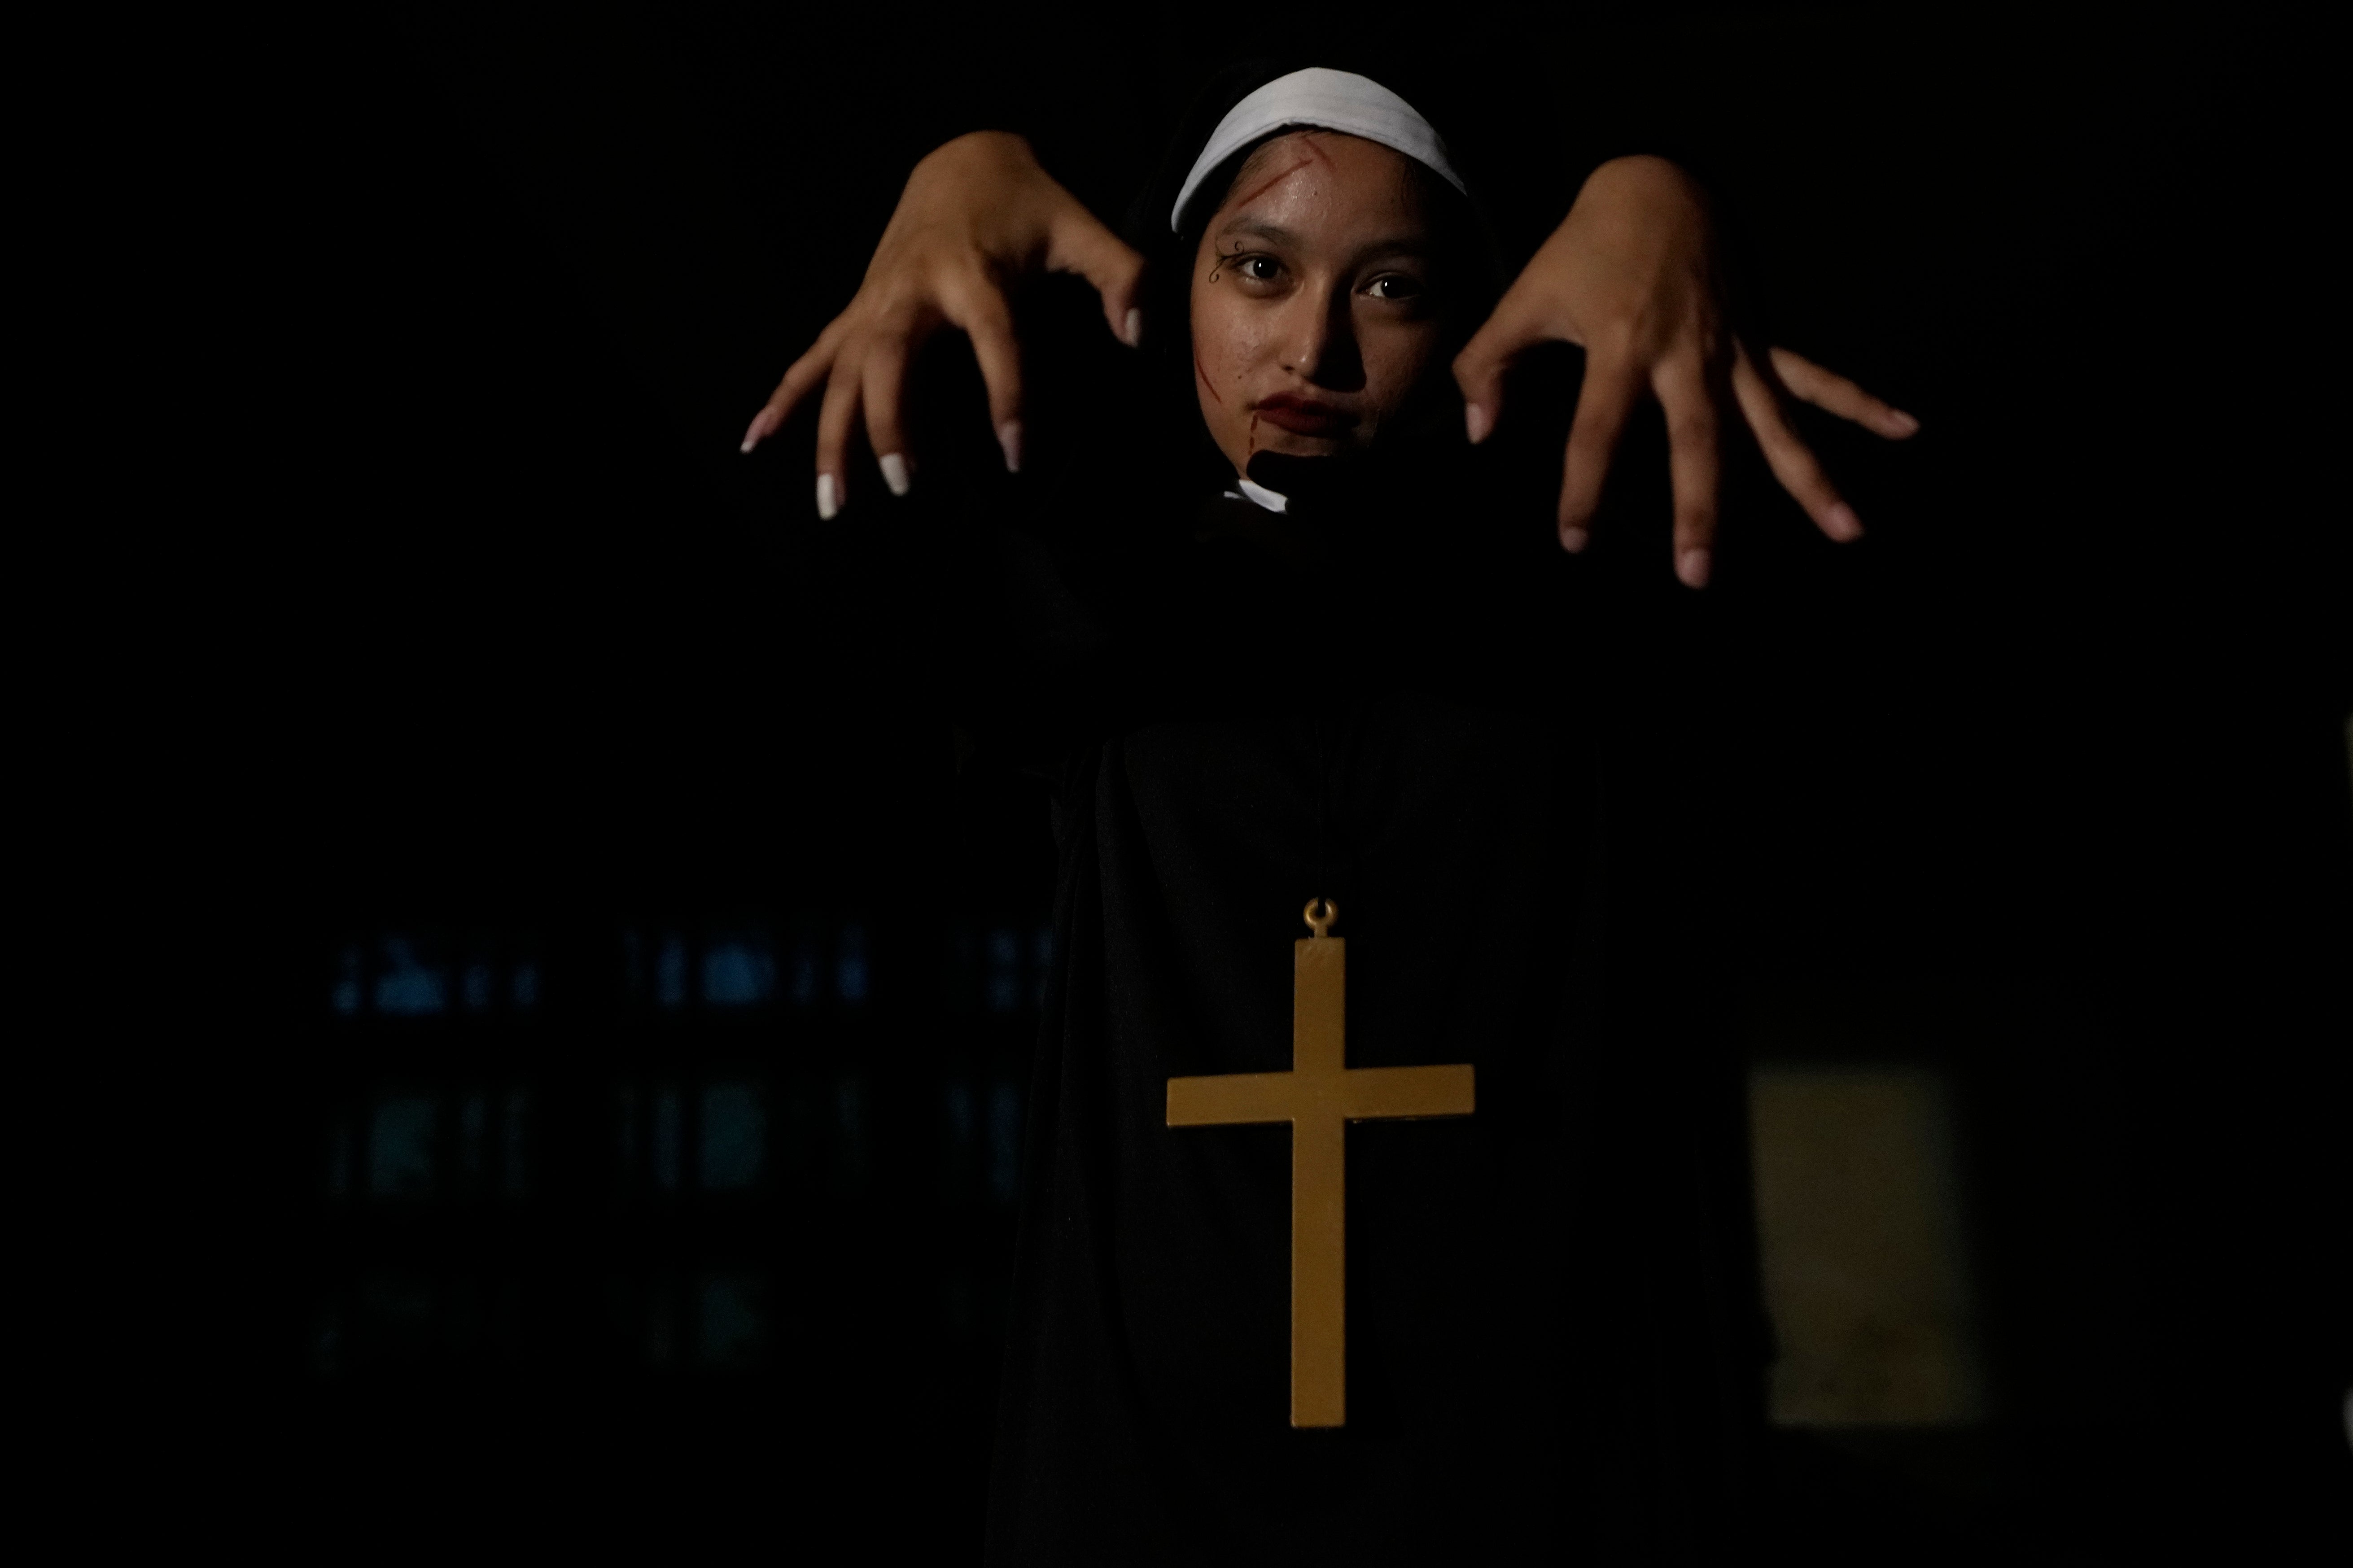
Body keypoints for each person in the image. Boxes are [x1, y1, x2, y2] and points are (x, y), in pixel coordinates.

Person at [749, 61, 1919, 1562]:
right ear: (1173, 290)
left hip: (1530, 1478)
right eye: (1255, 269)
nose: (1311, 347)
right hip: (1156, 1485)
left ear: (1471, 320)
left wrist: (1666, 200)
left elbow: (1837, 599)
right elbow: (817, 589)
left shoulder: (1583, 617)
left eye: (1391, 287)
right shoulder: (1087, 615)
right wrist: (954, 173)